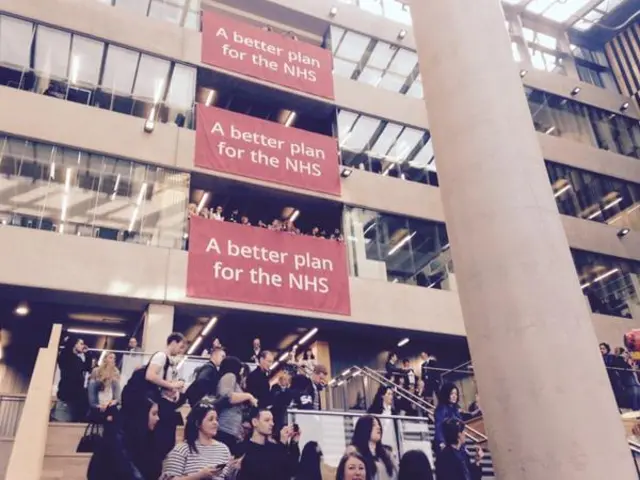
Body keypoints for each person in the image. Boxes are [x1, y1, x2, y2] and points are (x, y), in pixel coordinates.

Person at [87, 396, 162, 480]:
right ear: (142, 416)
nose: (157, 418)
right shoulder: (116, 441)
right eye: (154, 414)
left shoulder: (147, 440)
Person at [161, 400, 231, 480]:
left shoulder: (224, 449)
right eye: (211, 419)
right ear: (198, 423)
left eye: (216, 419)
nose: (216, 423)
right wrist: (198, 476)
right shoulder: (182, 450)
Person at [144, 332, 187, 459]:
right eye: (180, 347)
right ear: (173, 343)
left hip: (168, 403)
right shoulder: (161, 356)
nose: (180, 351)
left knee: (168, 443)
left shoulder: (170, 361)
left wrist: (176, 389)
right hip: (161, 404)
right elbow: (150, 375)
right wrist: (171, 385)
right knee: (161, 442)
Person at [236, 408, 300, 480]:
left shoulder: (274, 448)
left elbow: (290, 470)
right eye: (267, 420)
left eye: (272, 420)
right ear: (255, 422)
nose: (272, 423)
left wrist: (294, 443)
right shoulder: (242, 448)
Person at [216, 356, 258, 454]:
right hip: (225, 428)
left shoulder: (232, 379)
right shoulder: (230, 376)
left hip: (230, 429)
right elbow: (227, 396)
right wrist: (248, 396)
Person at [56, 335, 93, 422]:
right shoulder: (66, 356)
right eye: (81, 344)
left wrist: (87, 354)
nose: (83, 346)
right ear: (74, 344)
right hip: (69, 390)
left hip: (75, 391)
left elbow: (87, 368)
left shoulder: (77, 359)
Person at [349, 415, 397, 480]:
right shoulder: (354, 452)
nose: (379, 427)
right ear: (364, 428)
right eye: (374, 425)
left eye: (379, 425)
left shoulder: (386, 453)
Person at [88, 351, 121, 423]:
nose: (113, 360)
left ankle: (111, 432)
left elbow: (117, 395)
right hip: (98, 404)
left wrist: (114, 401)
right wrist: (100, 405)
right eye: (110, 357)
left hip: (110, 404)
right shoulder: (96, 371)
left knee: (114, 413)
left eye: (114, 358)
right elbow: (92, 392)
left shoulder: (116, 372)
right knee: (111, 416)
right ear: (105, 359)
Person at [434, 383, 463, 454]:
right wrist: (442, 443)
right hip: (446, 443)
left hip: (456, 443)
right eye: (451, 394)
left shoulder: (455, 410)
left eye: (456, 394)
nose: (454, 396)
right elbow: (439, 427)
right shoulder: (441, 409)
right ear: (446, 394)